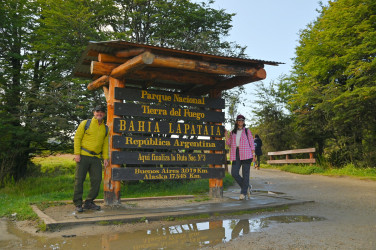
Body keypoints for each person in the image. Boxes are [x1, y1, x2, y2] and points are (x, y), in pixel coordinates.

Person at [73, 105, 109, 212]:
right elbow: (77, 138)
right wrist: (77, 154)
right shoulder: (85, 123)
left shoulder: (106, 128)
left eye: (102, 112)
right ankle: (78, 203)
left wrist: (105, 158)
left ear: (104, 114)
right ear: (94, 112)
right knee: (79, 180)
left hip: (96, 158)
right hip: (83, 155)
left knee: (97, 180)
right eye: (97, 111)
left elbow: (105, 144)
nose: (99, 113)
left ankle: (89, 202)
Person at [225, 114, 255, 200]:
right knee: (234, 173)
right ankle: (247, 187)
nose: (241, 122)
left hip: (246, 153)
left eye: (242, 120)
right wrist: (226, 135)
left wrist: (253, 154)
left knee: (246, 174)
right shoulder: (233, 132)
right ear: (236, 121)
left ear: (244, 122)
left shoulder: (247, 131)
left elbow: (252, 143)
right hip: (236, 153)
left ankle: (243, 193)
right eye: (239, 120)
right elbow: (229, 144)